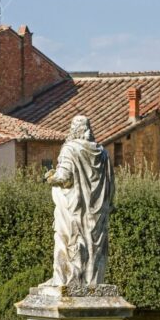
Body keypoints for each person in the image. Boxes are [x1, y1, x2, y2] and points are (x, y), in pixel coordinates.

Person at [44, 115, 114, 287]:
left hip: (73, 209)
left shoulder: (70, 149)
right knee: (94, 245)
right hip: (98, 211)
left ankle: (68, 280)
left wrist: (50, 177)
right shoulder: (102, 153)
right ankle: (92, 281)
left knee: (71, 240)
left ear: (74, 130)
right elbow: (111, 182)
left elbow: (65, 178)